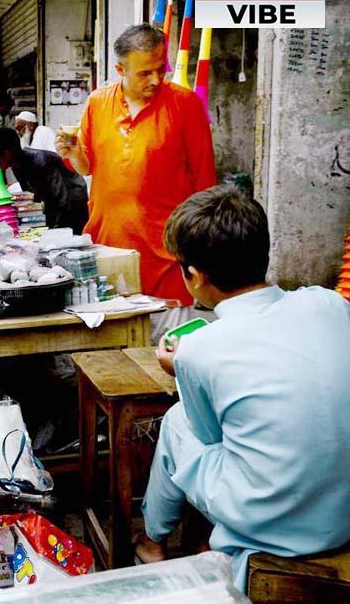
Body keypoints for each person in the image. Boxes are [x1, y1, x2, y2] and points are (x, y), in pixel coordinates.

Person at [136, 186, 350, 591]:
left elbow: (209, 436)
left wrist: (179, 366)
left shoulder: (200, 348)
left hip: (273, 525)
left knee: (178, 422)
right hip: (342, 515)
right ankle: (176, 538)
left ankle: (152, 539)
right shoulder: (329, 304)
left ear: (194, 277)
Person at [56, 24, 216, 339]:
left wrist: (202, 253)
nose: (156, 80)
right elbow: (88, 167)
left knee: (165, 359)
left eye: (160, 69)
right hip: (109, 253)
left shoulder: (185, 105)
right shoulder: (98, 103)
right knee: (113, 357)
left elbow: (206, 184)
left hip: (168, 259)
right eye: (144, 73)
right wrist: (74, 153)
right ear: (120, 69)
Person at [0, 127, 88, 234]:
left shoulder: (41, 162)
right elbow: (34, 197)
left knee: (68, 235)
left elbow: (62, 199)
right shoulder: (16, 167)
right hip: (55, 203)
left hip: (74, 198)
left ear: (7, 152)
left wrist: (55, 229)